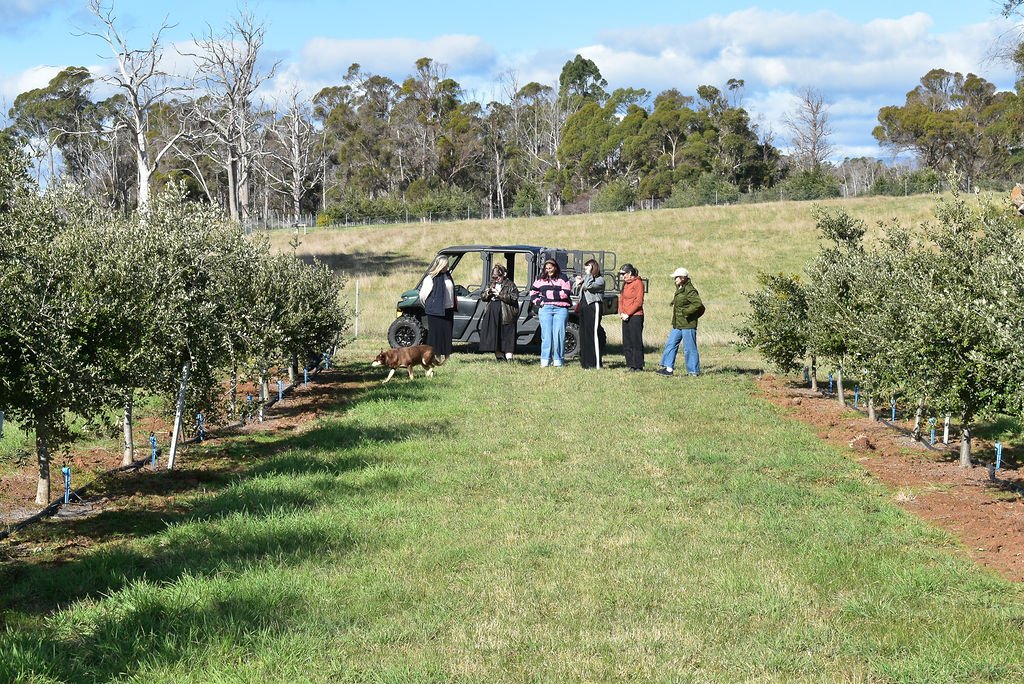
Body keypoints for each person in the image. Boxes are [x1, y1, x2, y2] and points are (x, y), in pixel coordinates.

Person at [656, 267, 704, 377]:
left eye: (676, 277)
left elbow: (698, 304)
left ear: (683, 278)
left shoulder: (690, 290)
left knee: (689, 348)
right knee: (671, 344)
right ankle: (668, 369)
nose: (675, 279)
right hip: (677, 323)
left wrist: (686, 312)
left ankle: (693, 372)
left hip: (688, 324)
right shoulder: (680, 288)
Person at [529, 258, 572, 367]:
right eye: (546, 268)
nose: (548, 270)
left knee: (559, 335)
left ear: (555, 267)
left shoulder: (563, 278)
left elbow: (565, 293)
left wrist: (547, 294)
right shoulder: (540, 278)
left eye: (550, 268)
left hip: (561, 309)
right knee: (546, 335)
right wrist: (539, 302)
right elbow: (533, 292)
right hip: (545, 309)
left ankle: (558, 360)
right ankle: (545, 360)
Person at [479, 264, 520, 361]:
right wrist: (488, 293)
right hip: (492, 311)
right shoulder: (491, 284)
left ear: (504, 274)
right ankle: (499, 356)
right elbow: (483, 297)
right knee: (495, 334)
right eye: (494, 277)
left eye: (498, 277)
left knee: (507, 335)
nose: (496, 279)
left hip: (506, 313)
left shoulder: (510, 284)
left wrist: (500, 295)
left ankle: (509, 357)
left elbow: (514, 297)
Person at [419, 255, 455, 361]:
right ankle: (435, 356)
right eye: (446, 265)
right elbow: (423, 296)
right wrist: (431, 305)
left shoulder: (448, 276)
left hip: (448, 309)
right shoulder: (430, 278)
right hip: (435, 311)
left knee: (447, 334)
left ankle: (447, 355)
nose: (447, 267)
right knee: (436, 335)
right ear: (440, 265)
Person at [573, 258, 605, 369]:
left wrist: (588, 275)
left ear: (593, 268)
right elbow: (575, 291)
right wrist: (577, 283)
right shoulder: (586, 279)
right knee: (583, 334)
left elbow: (589, 286)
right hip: (583, 308)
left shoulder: (600, 280)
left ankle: (595, 363)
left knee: (592, 334)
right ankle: (585, 362)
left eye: (588, 267)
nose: (585, 269)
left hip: (593, 306)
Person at [618, 263, 645, 372]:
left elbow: (638, 302)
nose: (622, 276)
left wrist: (628, 313)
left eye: (623, 274)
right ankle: (630, 364)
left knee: (635, 341)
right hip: (625, 316)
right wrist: (621, 312)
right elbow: (621, 299)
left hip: (635, 316)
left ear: (629, 273)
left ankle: (638, 365)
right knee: (627, 341)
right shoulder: (625, 284)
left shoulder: (638, 283)